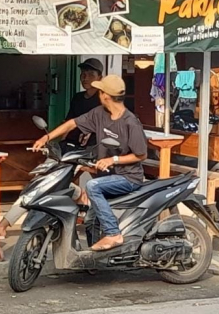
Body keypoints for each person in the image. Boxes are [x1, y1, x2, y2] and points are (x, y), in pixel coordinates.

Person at [28, 74, 147, 251]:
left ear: (105, 95)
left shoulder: (130, 122)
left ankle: (114, 234)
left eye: (100, 91)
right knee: (90, 221)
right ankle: (95, 262)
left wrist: (113, 159)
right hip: (107, 177)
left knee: (92, 186)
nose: (98, 94)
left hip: (128, 178)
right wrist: (47, 137)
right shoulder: (99, 113)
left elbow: (141, 155)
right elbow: (72, 124)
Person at [64, 58, 103, 149]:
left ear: (100, 78)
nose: (85, 78)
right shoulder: (77, 98)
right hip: (73, 144)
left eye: (91, 75)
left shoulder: (104, 99)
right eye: (83, 74)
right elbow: (69, 122)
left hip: (95, 147)